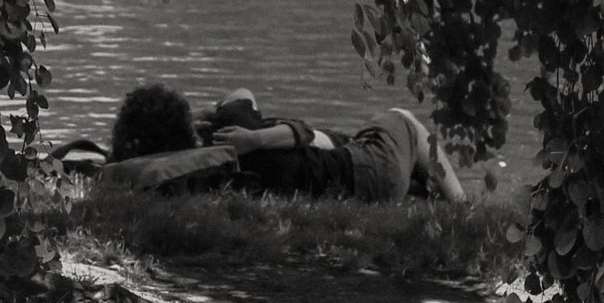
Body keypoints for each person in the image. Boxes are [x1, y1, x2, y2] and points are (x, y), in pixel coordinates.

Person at [102, 83, 466, 203]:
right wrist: (212, 112)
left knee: (360, 142)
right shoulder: (233, 129)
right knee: (403, 117)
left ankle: (430, 191)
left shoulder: (198, 168)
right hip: (371, 167)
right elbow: (248, 97)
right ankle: (462, 203)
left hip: (357, 180)